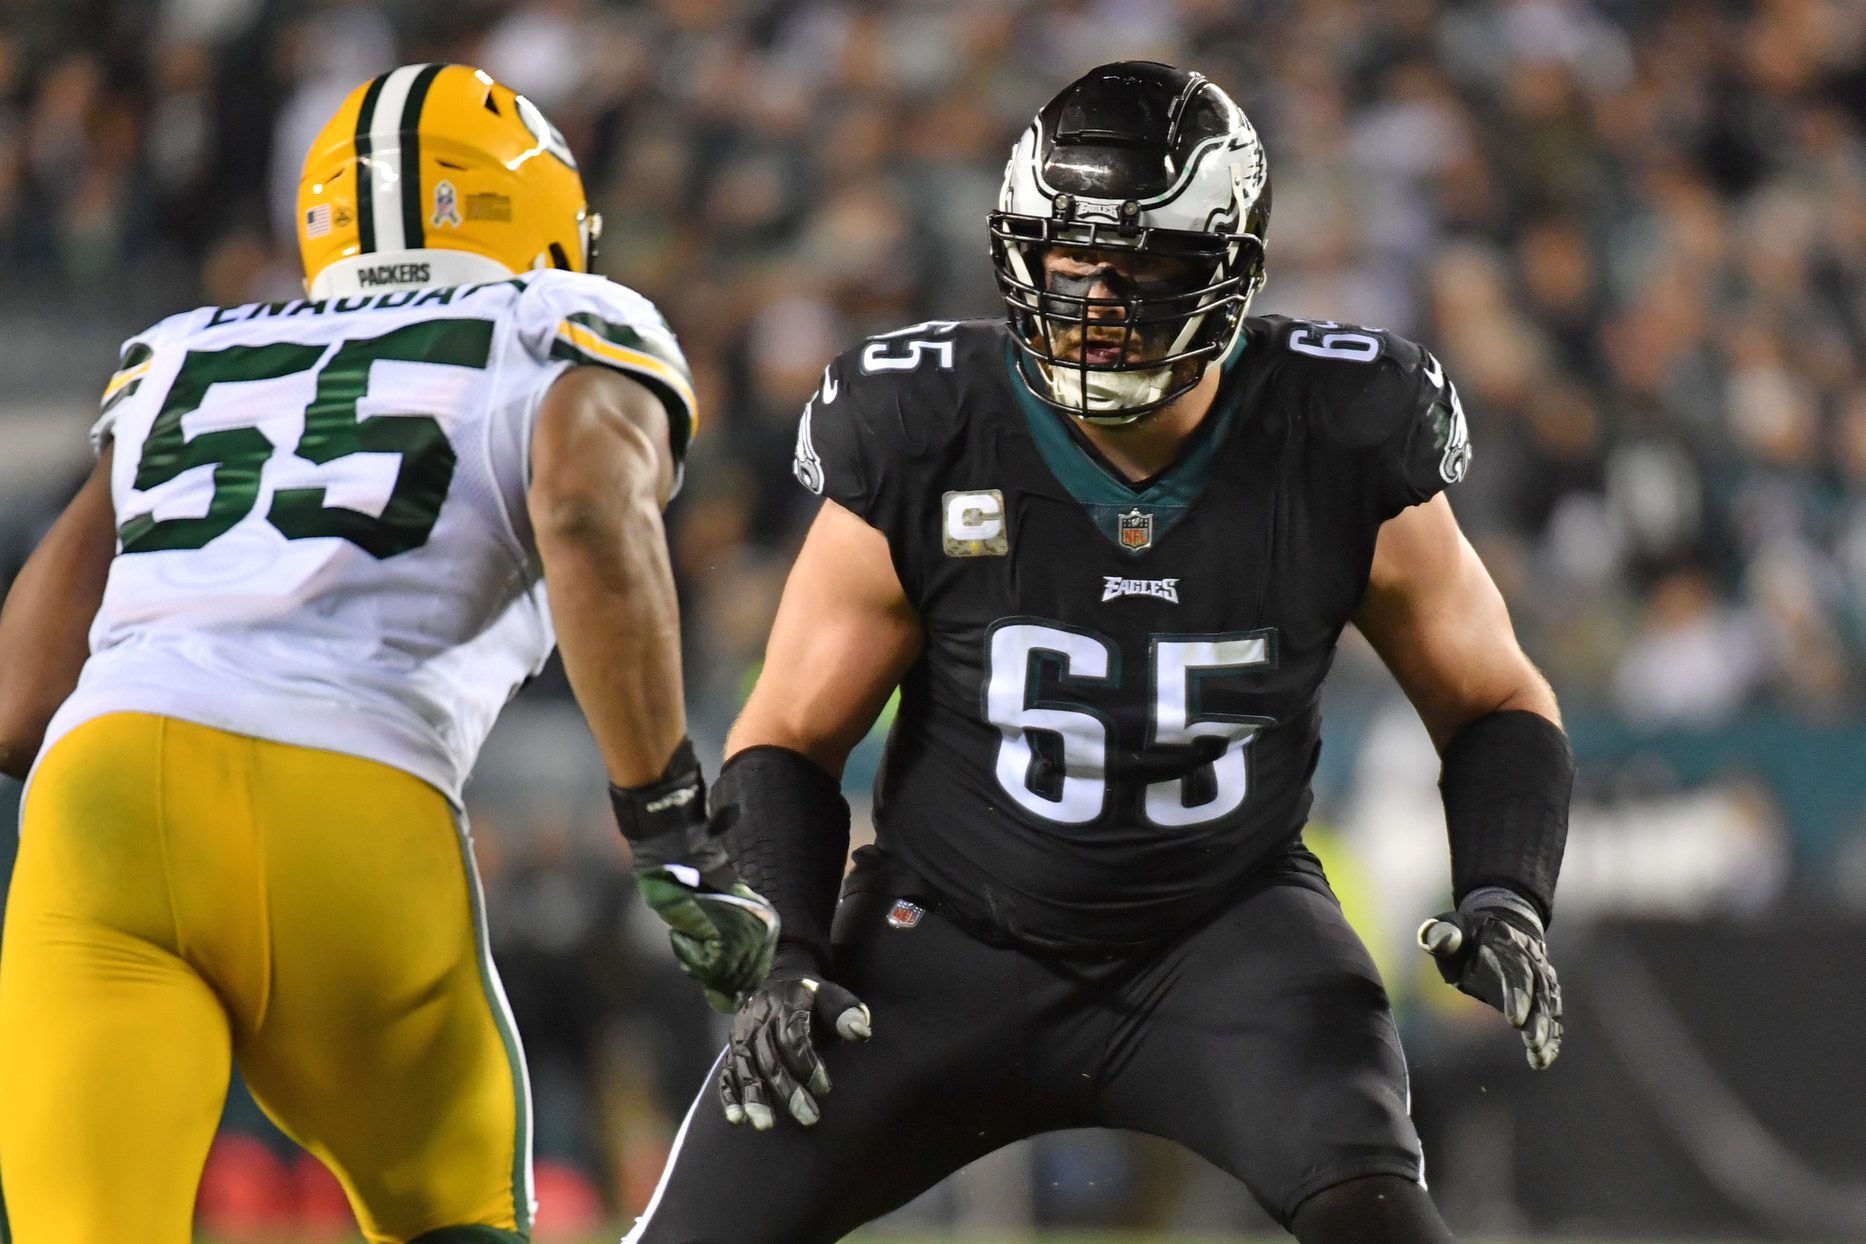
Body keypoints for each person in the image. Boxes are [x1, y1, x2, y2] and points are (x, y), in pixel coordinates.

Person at [624, 61, 1571, 1244]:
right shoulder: (929, 426)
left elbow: (1491, 697)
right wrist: (788, 952)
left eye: (1145, 270)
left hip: (1226, 937)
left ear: (1229, 270)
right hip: (942, 937)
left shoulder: (1336, 426)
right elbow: (790, 734)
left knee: (1381, 1221)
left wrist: (1506, 888)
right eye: (1072, 265)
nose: (1099, 304)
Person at [0, 63, 777, 1243]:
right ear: (537, 218)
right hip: (347, 794)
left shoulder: (185, 349)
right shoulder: (555, 321)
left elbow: (18, 704)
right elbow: (583, 506)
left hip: (97, 801)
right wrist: (673, 828)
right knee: (454, 1216)